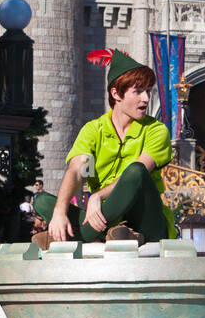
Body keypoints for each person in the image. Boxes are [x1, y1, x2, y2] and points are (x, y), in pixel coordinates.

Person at [36, 49, 177, 246]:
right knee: (42, 201)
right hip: (105, 220)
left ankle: (79, 238)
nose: (146, 98)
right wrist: (59, 213)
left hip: (148, 222)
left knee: (135, 171)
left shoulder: (156, 130)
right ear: (116, 93)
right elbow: (77, 170)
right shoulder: (94, 130)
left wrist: (97, 196)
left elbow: (137, 175)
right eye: (138, 91)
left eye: (148, 91)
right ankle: (115, 234)